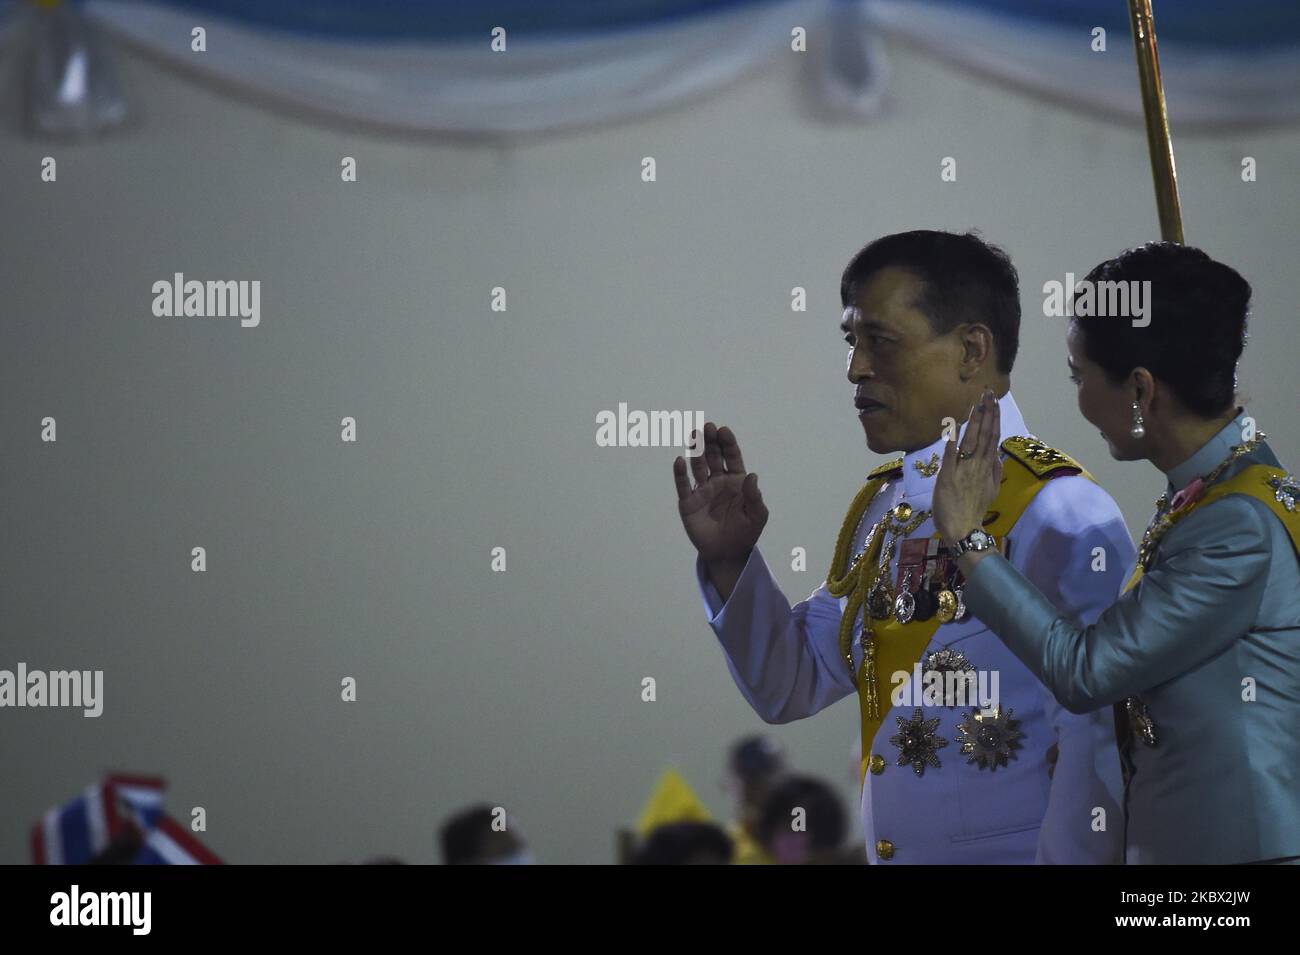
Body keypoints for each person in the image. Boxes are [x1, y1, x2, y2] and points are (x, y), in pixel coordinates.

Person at [673, 230, 1132, 863]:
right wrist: (731, 563)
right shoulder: (885, 511)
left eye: (881, 342)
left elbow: (1098, 737)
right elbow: (791, 683)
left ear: (972, 348)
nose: (855, 368)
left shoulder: (1058, 509)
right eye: (851, 342)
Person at [933, 242, 1300, 865]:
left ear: (1139, 389)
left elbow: (1086, 672)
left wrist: (970, 540)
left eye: (1081, 377)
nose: (1079, 401)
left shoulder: (1235, 523)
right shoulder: (1219, 494)